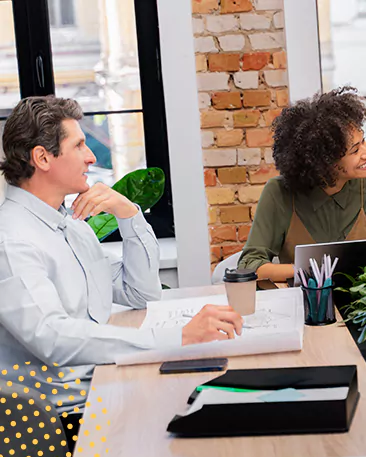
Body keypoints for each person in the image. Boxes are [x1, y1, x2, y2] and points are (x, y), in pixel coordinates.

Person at [0, 96, 243, 425]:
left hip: (104, 383)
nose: (90, 158)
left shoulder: (72, 227)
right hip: (64, 416)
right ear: (42, 157)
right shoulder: (11, 239)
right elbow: (53, 337)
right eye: (80, 145)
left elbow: (140, 294)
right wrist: (177, 337)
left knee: (224, 395)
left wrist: (129, 214)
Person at [239, 86, 366, 282]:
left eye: (364, 141)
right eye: (354, 150)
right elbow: (250, 266)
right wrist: (309, 271)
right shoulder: (278, 193)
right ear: (324, 163)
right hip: (304, 306)